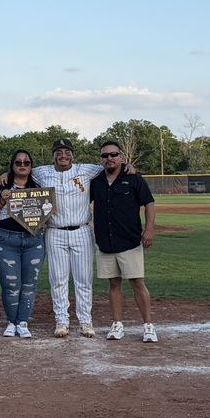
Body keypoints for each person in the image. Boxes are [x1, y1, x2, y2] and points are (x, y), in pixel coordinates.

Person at [30, 138, 107, 338]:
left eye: (67, 151)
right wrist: (5, 173)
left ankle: (85, 321)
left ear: (73, 154)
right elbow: (20, 172)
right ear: (53, 155)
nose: (63, 155)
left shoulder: (87, 169)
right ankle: (61, 321)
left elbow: (111, 166)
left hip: (82, 230)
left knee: (83, 279)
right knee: (58, 279)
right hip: (55, 231)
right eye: (59, 152)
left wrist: (128, 166)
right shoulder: (41, 172)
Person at [90, 141, 158, 343]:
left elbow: (149, 203)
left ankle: (148, 326)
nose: (109, 158)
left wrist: (149, 230)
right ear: (101, 159)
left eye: (113, 154)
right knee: (113, 283)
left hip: (130, 240)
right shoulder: (96, 181)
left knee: (137, 282)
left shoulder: (134, 178)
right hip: (105, 242)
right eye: (105, 155)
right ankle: (117, 324)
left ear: (121, 157)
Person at [0, 149, 46, 339]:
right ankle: (12, 322)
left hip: (33, 239)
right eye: (18, 162)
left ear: (31, 166)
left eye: (26, 162)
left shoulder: (39, 184)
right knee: (11, 285)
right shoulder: (0, 185)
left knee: (29, 285)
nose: (22, 165)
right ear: (12, 165)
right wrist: (3, 199)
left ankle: (23, 322)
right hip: (5, 238)